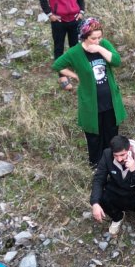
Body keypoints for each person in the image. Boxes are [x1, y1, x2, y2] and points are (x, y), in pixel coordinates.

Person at [54, 18, 126, 164]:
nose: (97, 41)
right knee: (94, 136)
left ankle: (112, 161)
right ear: (84, 37)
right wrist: (75, 75)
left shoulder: (103, 45)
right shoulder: (75, 52)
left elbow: (117, 61)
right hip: (91, 103)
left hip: (110, 100)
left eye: (100, 37)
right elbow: (57, 65)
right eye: (93, 38)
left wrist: (99, 49)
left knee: (111, 134)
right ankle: (96, 164)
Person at [90, 135, 135, 237]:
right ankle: (117, 217)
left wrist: (134, 171)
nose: (119, 159)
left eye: (122, 155)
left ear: (129, 149)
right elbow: (98, 179)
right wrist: (95, 203)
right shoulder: (107, 155)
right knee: (99, 197)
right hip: (116, 192)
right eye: (116, 155)